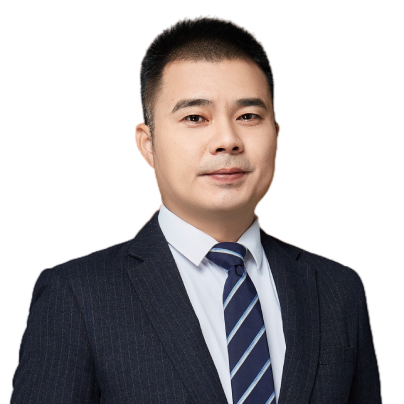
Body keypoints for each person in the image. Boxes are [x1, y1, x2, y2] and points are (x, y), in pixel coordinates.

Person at [10, 15, 382, 404]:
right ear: (148, 143)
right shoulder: (77, 295)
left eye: (248, 116)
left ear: (276, 134)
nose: (227, 140)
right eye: (195, 117)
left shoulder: (338, 289)